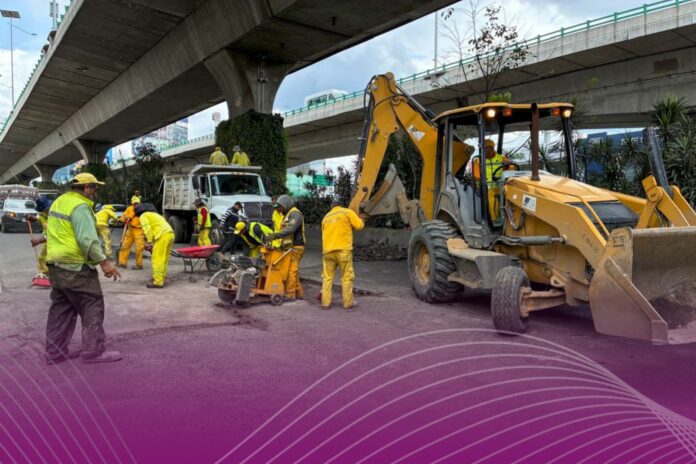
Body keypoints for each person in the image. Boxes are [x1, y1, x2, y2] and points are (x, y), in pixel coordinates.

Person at [45, 172, 122, 364]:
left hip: (55, 265)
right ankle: (93, 352)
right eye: (95, 188)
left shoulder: (58, 202)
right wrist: (104, 262)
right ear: (86, 187)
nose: (96, 192)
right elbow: (87, 239)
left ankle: (54, 353)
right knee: (92, 303)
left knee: (61, 309)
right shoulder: (80, 206)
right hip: (76, 266)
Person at [320, 199, 364, 310]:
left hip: (328, 252)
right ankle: (347, 303)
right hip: (343, 251)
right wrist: (361, 219)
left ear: (332, 207)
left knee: (327, 278)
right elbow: (359, 226)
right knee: (346, 277)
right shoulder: (347, 212)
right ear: (341, 205)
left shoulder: (325, 217)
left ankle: (325, 303)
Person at [267, 195, 305, 299]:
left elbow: (291, 229)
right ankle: (299, 292)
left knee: (291, 271)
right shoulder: (288, 214)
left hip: (296, 247)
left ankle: (290, 294)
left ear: (285, 205)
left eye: (279, 207)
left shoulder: (295, 214)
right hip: (290, 247)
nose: (278, 210)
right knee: (293, 271)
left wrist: (276, 236)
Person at [135, 204, 174, 289]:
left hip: (162, 236)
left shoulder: (143, 216)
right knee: (164, 258)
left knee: (156, 259)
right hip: (170, 234)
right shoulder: (154, 214)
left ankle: (158, 282)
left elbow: (147, 229)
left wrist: (149, 242)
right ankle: (162, 277)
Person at [472, 139, 511, 220]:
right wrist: (481, 176)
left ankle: (510, 217)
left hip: (501, 185)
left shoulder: (501, 158)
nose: (486, 150)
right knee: (492, 194)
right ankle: (495, 220)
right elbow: (476, 176)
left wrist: (507, 165)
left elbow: (511, 169)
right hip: (484, 187)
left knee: (512, 193)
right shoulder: (478, 160)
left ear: (493, 148)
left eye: (488, 148)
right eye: (484, 148)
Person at [28, 196, 53, 278]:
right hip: (46, 238)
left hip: (54, 239)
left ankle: (49, 274)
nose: (47, 210)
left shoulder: (54, 216)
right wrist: (31, 218)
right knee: (42, 257)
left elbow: (52, 233)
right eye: (45, 209)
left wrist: (38, 241)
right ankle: (44, 274)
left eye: (47, 208)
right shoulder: (42, 214)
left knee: (52, 258)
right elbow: (38, 218)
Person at [118, 196, 145, 269]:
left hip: (139, 230)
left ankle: (139, 264)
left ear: (139, 203)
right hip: (130, 229)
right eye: (134, 203)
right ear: (132, 203)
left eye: (137, 203)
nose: (135, 204)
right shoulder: (129, 209)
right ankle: (122, 263)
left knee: (139, 248)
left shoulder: (142, 210)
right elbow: (123, 218)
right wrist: (125, 218)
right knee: (125, 246)